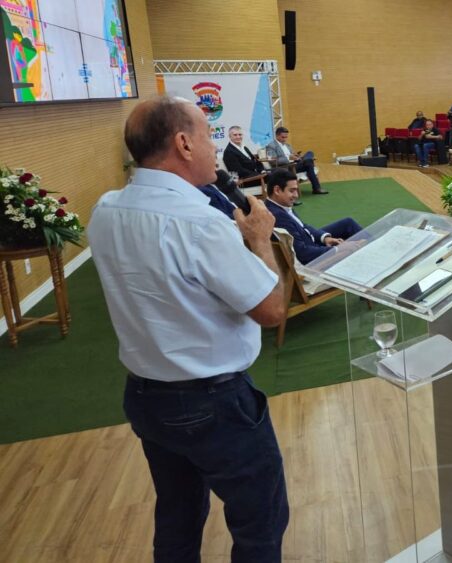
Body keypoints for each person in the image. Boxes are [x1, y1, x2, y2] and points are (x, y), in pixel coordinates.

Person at [89, 96, 290, 562]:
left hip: (145, 395)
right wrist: (260, 241)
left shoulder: (106, 209)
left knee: (177, 517)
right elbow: (271, 309)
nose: (214, 146)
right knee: (259, 522)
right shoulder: (200, 224)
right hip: (213, 402)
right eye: (208, 135)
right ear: (183, 143)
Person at [264, 169, 362, 264]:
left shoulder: (279, 206)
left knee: (348, 223)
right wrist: (337, 249)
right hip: (312, 256)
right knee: (350, 231)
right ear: (277, 190)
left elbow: (303, 226)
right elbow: (303, 253)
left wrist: (325, 238)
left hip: (308, 240)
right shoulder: (278, 216)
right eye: (292, 191)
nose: (296, 195)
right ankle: (369, 249)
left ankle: (369, 246)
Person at [265, 127, 326, 195]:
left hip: (296, 163)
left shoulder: (287, 145)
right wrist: (289, 158)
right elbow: (273, 161)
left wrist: (296, 156)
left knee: (310, 153)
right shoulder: (271, 146)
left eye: (286, 137)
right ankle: (316, 188)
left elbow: (292, 155)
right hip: (287, 167)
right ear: (277, 136)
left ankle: (305, 160)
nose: (285, 139)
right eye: (283, 137)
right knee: (309, 162)